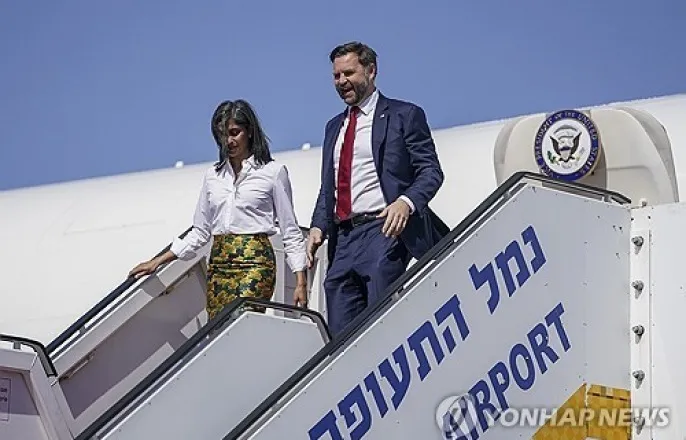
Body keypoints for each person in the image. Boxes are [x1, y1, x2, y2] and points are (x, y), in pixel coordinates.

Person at [306, 41, 449, 336]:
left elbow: (431, 171)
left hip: (383, 229)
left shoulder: (404, 115)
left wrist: (406, 202)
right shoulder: (333, 127)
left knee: (381, 325)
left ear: (371, 71)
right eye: (336, 76)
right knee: (341, 333)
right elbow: (330, 185)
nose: (341, 81)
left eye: (349, 73)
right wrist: (318, 225)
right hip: (343, 239)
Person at [130, 99, 309, 319]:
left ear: (249, 131)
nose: (228, 141)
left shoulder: (273, 172)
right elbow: (200, 231)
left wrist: (301, 282)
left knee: (241, 320)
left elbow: (290, 230)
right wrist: (157, 262)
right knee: (218, 326)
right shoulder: (212, 176)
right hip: (219, 264)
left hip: (255, 263)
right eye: (222, 134)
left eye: (234, 133)